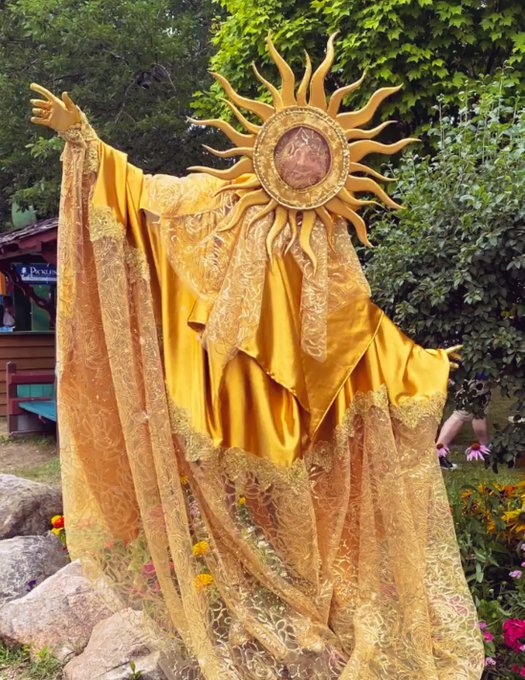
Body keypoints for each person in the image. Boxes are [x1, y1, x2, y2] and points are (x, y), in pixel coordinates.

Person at [29, 36, 483, 679]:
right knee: (224, 502)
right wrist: (85, 139)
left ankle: (310, 614)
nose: (304, 160)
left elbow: (357, 322)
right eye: (296, 147)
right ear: (270, 148)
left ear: (333, 169)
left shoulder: (327, 239)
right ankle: (245, 608)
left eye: (317, 154)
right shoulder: (219, 200)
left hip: (290, 406)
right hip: (220, 387)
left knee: (295, 504)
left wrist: (418, 363)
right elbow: (146, 195)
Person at [436, 376, 491, 469]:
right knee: (462, 413)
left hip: (481, 376)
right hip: (474, 375)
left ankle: (486, 451)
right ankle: (438, 454)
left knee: (479, 412)